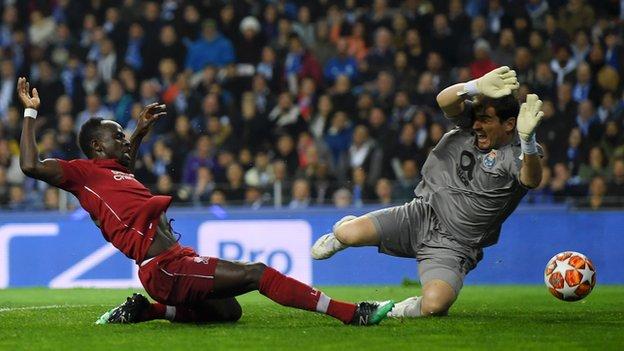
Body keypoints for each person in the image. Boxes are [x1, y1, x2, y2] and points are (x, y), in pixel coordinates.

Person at [16, 77, 393, 326]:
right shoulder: (83, 174)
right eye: (119, 136)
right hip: (162, 267)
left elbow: (125, 162)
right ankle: (351, 314)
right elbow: (31, 165)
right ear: (97, 147)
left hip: (174, 259)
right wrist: (30, 111)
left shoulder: (116, 171)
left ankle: (148, 310)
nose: (125, 139)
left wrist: (140, 129)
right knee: (257, 273)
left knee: (229, 311)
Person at [312, 66, 544, 318]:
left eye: (486, 120)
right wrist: (474, 86)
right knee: (349, 234)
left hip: (456, 245)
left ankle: (392, 310)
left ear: (510, 124)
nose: (477, 125)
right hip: (421, 214)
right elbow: (444, 100)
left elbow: (530, 180)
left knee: (435, 306)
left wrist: (528, 141)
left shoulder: (519, 152)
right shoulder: (468, 124)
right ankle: (341, 234)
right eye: (477, 118)